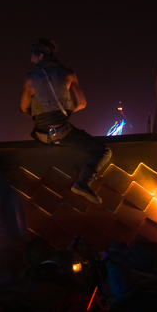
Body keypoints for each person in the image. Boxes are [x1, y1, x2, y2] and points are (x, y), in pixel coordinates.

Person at [20, 38, 111, 204]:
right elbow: (82, 103)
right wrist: (63, 114)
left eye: (32, 56)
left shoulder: (30, 78)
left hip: (41, 135)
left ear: (40, 56)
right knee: (104, 152)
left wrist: (40, 117)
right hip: (60, 133)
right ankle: (82, 183)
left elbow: (23, 108)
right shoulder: (68, 73)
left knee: (55, 133)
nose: (30, 59)